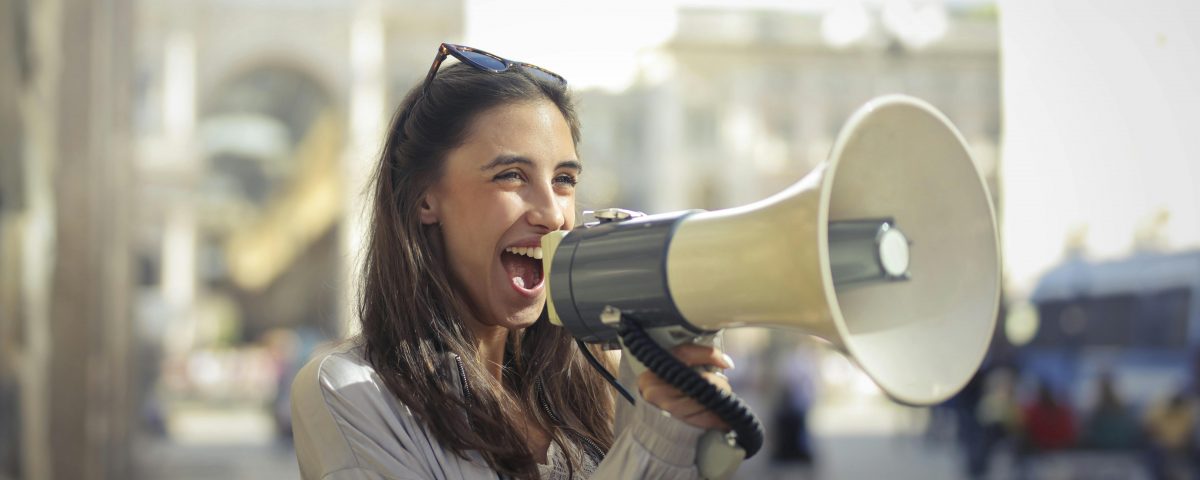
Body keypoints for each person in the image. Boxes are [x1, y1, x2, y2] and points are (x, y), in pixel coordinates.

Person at [289, 43, 736, 480]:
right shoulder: (347, 391)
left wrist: (693, 440)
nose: (551, 213)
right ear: (425, 198)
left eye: (563, 180)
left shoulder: (604, 380)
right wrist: (654, 449)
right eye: (511, 175)